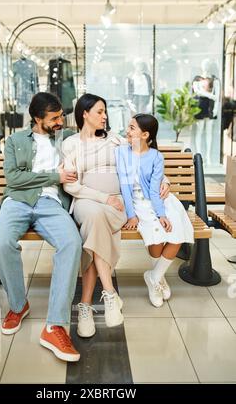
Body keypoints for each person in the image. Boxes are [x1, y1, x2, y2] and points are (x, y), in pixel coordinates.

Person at [62, 94, 170, 338]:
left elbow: (145, 156)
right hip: (87, 201)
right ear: (84, 114)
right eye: (100, 112)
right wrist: (103, 198)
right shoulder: (70, 144)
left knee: (94, 228)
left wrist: (166, 179)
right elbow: (70, 185)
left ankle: (86, 306)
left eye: (105, 111)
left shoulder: (115, 140)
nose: (105, 116)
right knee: (94, 218)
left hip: (120, 203)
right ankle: (109, 293)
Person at [0, 92, 82, 362]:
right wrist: (55, 175)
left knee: (72, 243)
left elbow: (93, 143)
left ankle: (54, 325)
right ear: (37, 118)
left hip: (50, 202)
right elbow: (13, 179)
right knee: (1, 243)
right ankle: (18, 305)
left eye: (61, 116)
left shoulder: (65, 139)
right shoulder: (16, 141)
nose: (59, 121)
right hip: (17, 202)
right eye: (53, 118)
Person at [115, 113, 194, 308]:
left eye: (132, 128)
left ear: (145, 134)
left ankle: (154, 276)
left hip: (161, 201)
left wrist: (161, 214)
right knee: (155, 235)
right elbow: (125, 187)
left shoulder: (156, 156)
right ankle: (157, 279)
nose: (127, 130)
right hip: (137, 204)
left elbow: (154, 188)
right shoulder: (121, 152)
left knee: (175, 233)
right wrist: (131, 214)